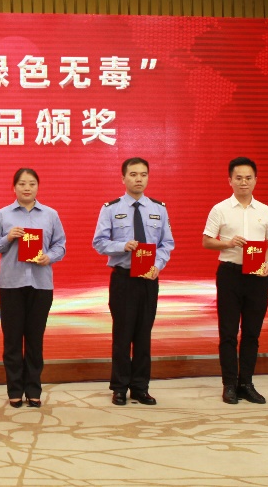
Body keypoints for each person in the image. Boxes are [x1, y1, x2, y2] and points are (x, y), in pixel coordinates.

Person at [92, 157, 175, 406]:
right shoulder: (110, 209)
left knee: (143, 335)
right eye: (133, 174)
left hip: (148, 280)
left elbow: (167, 243)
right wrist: (122, 246)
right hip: (123, 279)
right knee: (122, 334)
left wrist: (158, 265)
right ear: (123, 178)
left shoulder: (159, 209)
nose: (139, 179)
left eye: (143, 174)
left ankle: (140, 387)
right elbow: (99, 242)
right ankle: (119, 387)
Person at [0, 168, 66, 409]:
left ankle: (33, 389)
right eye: (22, 183)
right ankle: (14, 390)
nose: (27, 188)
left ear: (38, 187)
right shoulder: (3, 215)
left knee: (34, 340)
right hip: (11, 284)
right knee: (12, 340)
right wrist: (8, 237)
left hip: (41, 285)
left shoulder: (50, 215)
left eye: (31, 183)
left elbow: (60, 245)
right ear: (14, 187)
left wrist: (49, 257)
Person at [202, 157, 268, 405]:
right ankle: (229, 384)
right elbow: (206, 241)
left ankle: (246, 383)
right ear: (230, 180)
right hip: (230, 274)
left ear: (255, 180)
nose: (243, 182)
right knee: (228, 332)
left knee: (252, 332)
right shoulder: (220, 209)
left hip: (257, 276)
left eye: (248, 178)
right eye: (238, 178)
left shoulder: (265, 211)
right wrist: (228, 243)